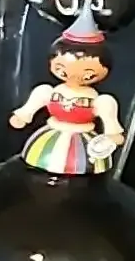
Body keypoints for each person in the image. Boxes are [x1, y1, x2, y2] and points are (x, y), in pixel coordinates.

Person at [7, 11, 124, 176]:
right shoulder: (47, 92)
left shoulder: (101, 101)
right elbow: (31, 106)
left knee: (85, 172)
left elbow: (112, 126)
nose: (74, 76)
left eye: (88, 74)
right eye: (61, 69)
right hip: (49, 138)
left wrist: (112, 136)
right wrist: (22, 116)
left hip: (85, 143)